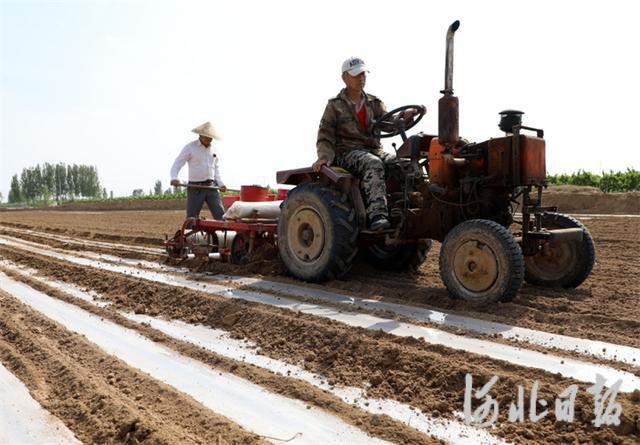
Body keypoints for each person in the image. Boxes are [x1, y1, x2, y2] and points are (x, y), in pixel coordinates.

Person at [313, 57, 422, 231]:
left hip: (374, 150)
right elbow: (325, 134)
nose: (361, 78)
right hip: (347, 152)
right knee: (373, 163)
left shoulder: (375, 103)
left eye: (363, 74)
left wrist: (405, 116)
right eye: (356, 75)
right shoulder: (335, 105)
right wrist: (324, 157)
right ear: (345, 78)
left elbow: (390, 123)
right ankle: (377, 215)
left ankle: (405, 209)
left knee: (405, 165)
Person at [170, 122, 227, 220]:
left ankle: (222, 234)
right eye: (207, 137)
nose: (209, 139)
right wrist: (174, 178)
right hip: (196, 187)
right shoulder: (190, 147)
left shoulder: (214, 150)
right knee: (192, 218)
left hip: (211, 186)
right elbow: (177, 163)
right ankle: (190, 233)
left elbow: (216, 169)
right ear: (200, 135)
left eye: (211, 137)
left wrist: (221, 184)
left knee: (220, 215)